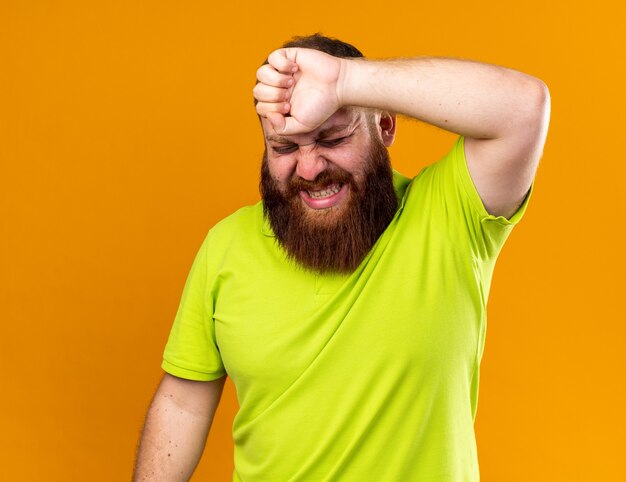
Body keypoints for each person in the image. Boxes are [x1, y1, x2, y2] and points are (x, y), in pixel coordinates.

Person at [133, 33, 550, 481]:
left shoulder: (449, 216)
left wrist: (344, 80)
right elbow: (183, 401)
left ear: (385, 127)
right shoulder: (226, 245)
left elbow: (523, 110)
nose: (309, 169)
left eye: (332, 138)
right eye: (285, 148)